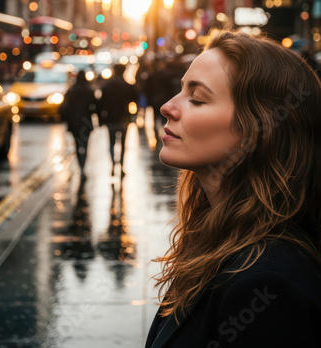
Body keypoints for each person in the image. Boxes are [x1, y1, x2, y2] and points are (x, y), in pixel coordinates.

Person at [145, 29, 321, 348]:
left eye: (197, 99)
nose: (168, 107)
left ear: (260, 127)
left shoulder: (267, 283)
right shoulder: (214, 241)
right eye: (180, 91)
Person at [98, 63, 138, 177]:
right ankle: (121, 165)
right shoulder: (128, 85)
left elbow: (101, 104)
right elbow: (135, 100)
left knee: (111, 143)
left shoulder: (106, 86)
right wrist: (133, 115)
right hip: (124, 118)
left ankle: (112, 165)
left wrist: (100, 119)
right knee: (123, 144)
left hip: (110, 119)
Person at [59, 70, 97, 181]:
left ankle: (81, 166)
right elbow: (95, 105)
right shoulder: (88, 91)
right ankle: (83, 166)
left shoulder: (71, 91)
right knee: (85, 144)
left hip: (74, 122)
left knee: (77, 144)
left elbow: (63, 108)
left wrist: (65, 119)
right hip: (86, 123)